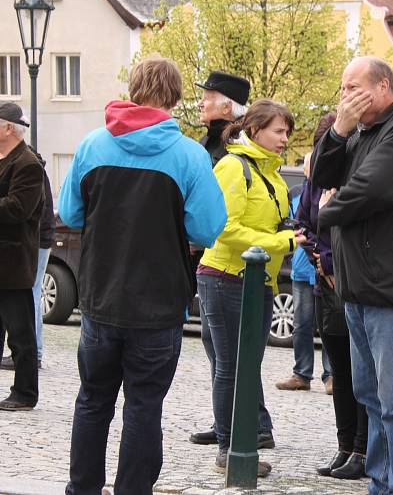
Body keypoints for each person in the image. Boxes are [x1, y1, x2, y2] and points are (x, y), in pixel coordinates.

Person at [60, 57, 227, 494]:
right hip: (158, 300)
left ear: (133, 89)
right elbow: (208, 228)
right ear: (174, 97)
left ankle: (82, 489)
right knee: (144, 405)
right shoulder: (190, 156)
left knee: (93, 400)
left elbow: (70, 213)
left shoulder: (93, 145)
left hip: (100, 293)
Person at [311, 56, 393, 495]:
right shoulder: (361, 131)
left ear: (383, 87)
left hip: (391, 288)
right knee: (370, 394)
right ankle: (382, 484)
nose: (344, 96)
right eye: (343, 88)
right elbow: (320, 175)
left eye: (352, 87)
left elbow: (372, 189)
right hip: (358, 286)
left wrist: (330, 209)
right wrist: (338, 131)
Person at [196, 98, 298, 476]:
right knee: (230, 367)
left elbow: (272, 222)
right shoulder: (233, 167)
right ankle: (229, 449)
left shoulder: (270, 172)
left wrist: (288, 231)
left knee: (247, 367)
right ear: (254, 130)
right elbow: (226, 228)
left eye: (287, 131)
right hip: (224, 277)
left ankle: (242, 443)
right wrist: (282, 243)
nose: (284, 138)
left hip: (259, 282)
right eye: (278, 130)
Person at [300, 113, 368, 480]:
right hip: (324, 287)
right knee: (340, 372)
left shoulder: (357, 179)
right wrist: (321, 263)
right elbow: (305, 225)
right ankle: (345, 447)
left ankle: (362, 448)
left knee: (361, 375)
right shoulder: (315, 180)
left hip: (353, 284)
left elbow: (350, 227)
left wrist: (331, 263)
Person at [275, 153, 332, 393]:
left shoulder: (328, 189)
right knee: (301, 323)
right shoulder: (299, 191)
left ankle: (331, 375)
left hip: (324, 266)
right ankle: (301, 373)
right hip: (301, 267)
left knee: (329, 325)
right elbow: (295, 225)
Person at [0, 102, 43, 411]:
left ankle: (25, 392)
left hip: (13, 262)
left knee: (20, 333)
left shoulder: (28, 163)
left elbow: (18, 208)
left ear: (9, 128)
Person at [1, 148, 54, 371]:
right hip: (38, 237)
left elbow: (24, 208)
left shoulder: (28, 166)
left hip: (36, 239)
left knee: (30, 294)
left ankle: (35, 353)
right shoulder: (28, 164)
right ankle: (33, 353)